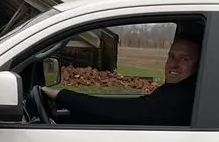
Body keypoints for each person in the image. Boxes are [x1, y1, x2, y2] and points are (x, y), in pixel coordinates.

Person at [41, 36, 201, 126]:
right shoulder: (185, 92)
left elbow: (122, 110)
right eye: (171, 56)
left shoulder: (180, 98)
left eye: (184, 59)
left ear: (199, 65)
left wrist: (63, 95)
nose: (173, 64)